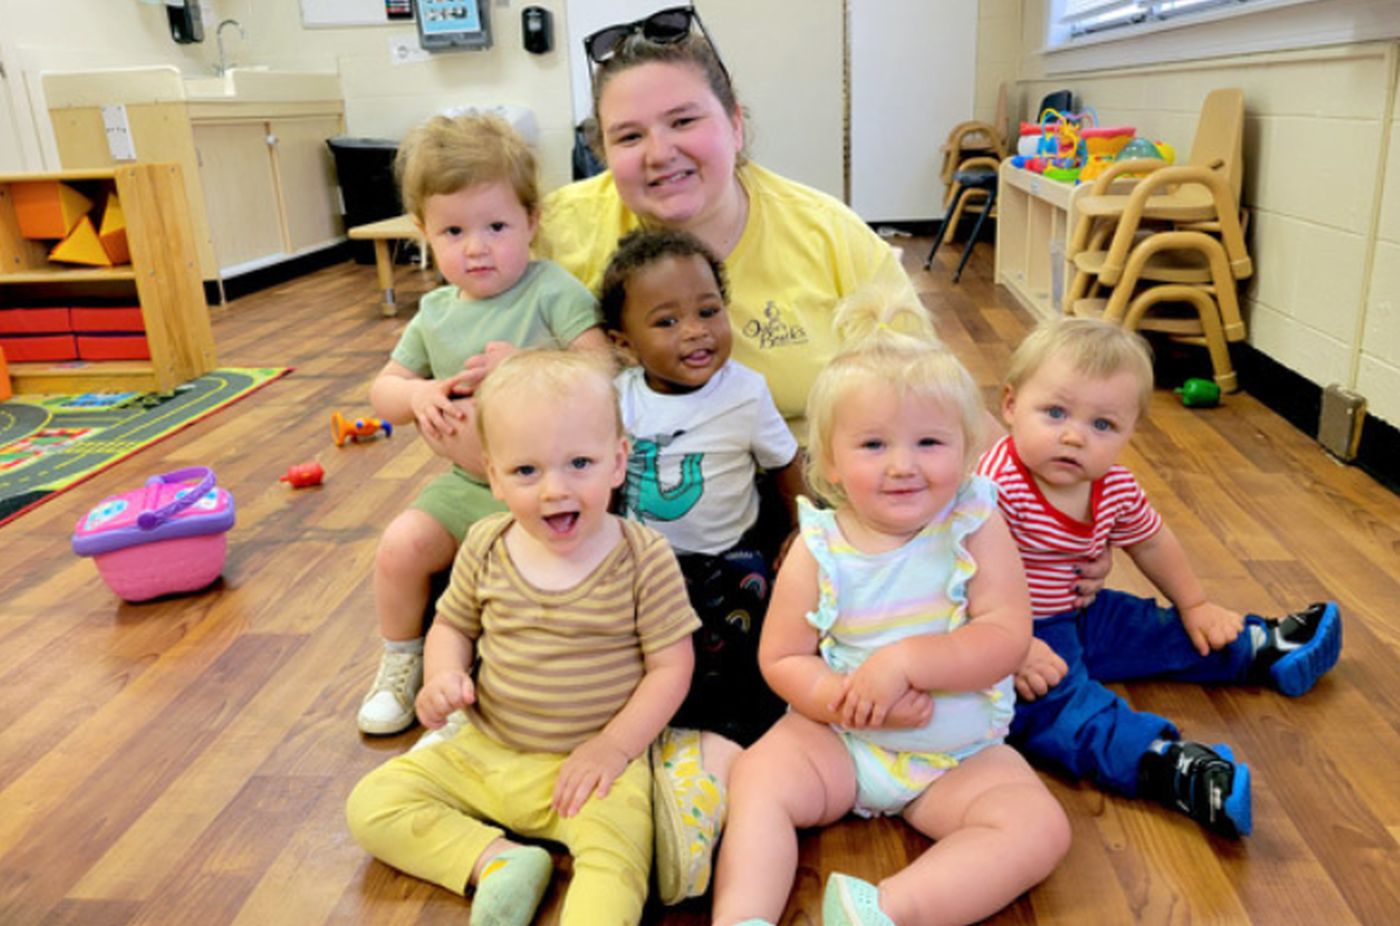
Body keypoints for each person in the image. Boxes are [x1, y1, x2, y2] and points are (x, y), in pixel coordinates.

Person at [533, 8, 926, 899]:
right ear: (600, 148)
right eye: (629, 135)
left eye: (684, 121)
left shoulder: (827, 235)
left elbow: (920, 397)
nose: (659, 153)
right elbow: (466, 341)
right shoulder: (555, 232)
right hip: (603, 515)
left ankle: (723, 769)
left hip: (813, 514)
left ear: (737, 124)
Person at [710, 291, 1071, 926]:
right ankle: (744, 917)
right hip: (837, 741)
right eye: (874, 445)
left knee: (1039, 828)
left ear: (966, 451)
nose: (903, 466)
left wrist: (905, 662)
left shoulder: (974, 524)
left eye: (929, 442)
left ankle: (882, 912)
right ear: (829, 462)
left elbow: (1006, 634)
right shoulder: (819, 546)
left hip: (956, 757)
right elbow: (783, 657)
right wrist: (842, 699)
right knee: (758, 779)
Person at [345, 349, 700, 925]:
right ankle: (498, 861)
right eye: (526, 471)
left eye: (579, 463)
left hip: (592, 768)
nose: (554, 490)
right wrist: (442, 676)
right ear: (494, 476)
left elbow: (671, 668)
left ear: (618, 462)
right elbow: (452, 625)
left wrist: (613, 748)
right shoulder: (487, 543)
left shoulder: (643, 558)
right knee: (372, 803)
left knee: (618, 867)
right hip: (486, 750)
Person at [976, 317, 1343, 838]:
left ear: (1130, 431)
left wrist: (1195, 604)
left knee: (1151, 627)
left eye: (1103, 425)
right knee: (1059, 709)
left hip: (1079, 610)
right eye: (1055, 413)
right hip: (1012, 634)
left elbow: (1150, 542)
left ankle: (1259, 649)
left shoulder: (1113, 485)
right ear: (1011, 405)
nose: (1074, 436)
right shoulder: (994, 486)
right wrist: (1009, 646)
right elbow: (956, 576)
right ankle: (1162, 764)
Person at [356, 112, 610, 736]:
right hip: (468, 487)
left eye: (496, 226)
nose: (476, 247)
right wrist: (417, 394)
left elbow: (604, 368)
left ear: (531, 221)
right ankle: (402, 661)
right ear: (424, 233)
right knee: (400, 547)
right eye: (453, 231)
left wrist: (527, 364)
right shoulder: (435, 313)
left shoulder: (552, 291)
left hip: (552, 487)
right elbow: (383, 391)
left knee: (531, 587)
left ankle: (502, 686)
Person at [598, 227, 806, 901]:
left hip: (726, 558)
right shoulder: (619, 399)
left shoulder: (744, 391)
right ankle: (644, 733)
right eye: (666, 321)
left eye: (709, 310)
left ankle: (730, 736)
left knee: (753, 606)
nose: (695, 332)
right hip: (646, 563)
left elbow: (784, 463)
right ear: (624, 341)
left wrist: (800, 531)